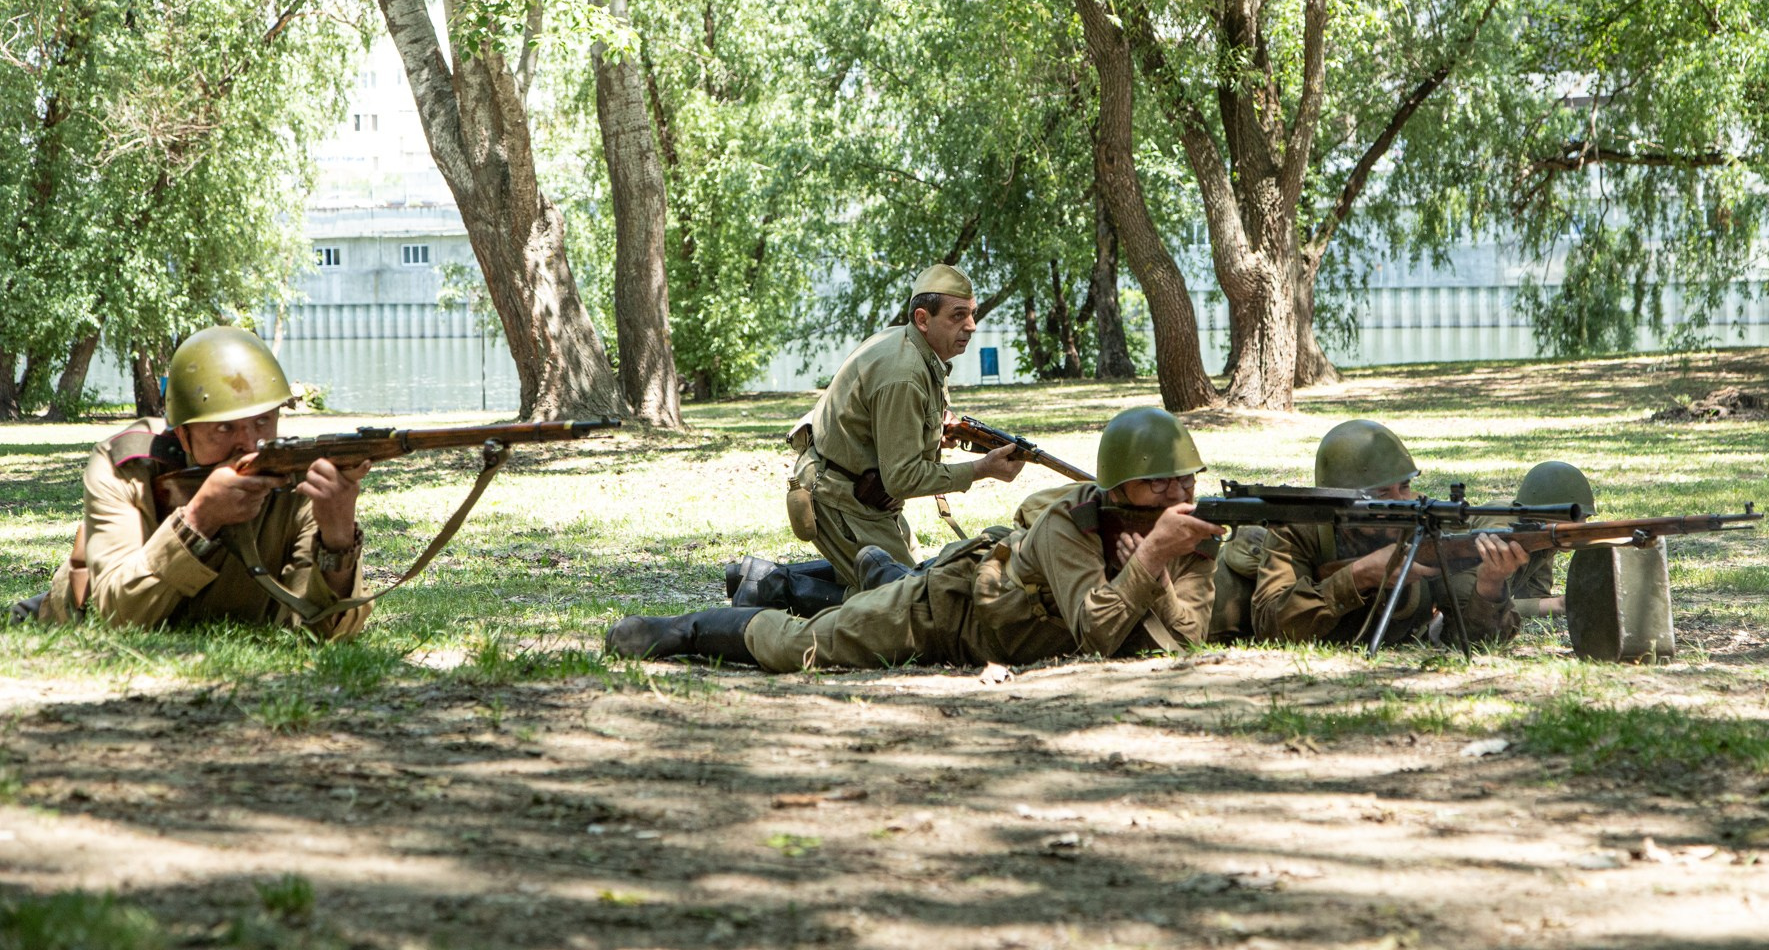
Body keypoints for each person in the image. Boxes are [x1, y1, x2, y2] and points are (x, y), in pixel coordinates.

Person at [606, 406, 1224, 673]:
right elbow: (1097, 632)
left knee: (872, 592)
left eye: (1182, 481)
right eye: (1155, 486)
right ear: (1117, 489)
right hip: (946, 610)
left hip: (989, 634)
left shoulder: (1187, 535)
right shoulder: (1075, 523)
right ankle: (685, 628)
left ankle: (870, 574)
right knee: (804, 648)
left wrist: (1161, 573)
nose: (1175, 497)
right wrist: (1149, 560)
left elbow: (1188, 636)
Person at [16, 326, 372, 637]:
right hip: (72, 613)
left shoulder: (299, 478)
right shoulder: (127, 466)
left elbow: (321, 631)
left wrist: (338, 538)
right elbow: (117, 619)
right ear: (183, 436)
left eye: (263, 421)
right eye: (224, 427)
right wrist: (199, 519)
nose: (250, 444)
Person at [1210, 420, 1592, 650]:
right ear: (1338, 499)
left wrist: (1491, 586)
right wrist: (1361, 575)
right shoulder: (1298, 528)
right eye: (1381, 494)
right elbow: (1272, 629)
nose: (1401, 502)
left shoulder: (1425, 524)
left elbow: (1475, 639)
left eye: (1405, 488)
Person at [779, 263, 1026, 591]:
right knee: (908, 602)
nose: (971, 325)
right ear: (923, 319)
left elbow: (895, 427)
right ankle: (770, 587)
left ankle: (760, 579)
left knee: (909, 579)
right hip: (842, 499)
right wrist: (982, 468)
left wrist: (938, 433)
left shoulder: (912, 347)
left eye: (972, 313)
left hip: (866, 495)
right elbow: (902, 477)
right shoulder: (905, 373)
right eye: (957, 315)